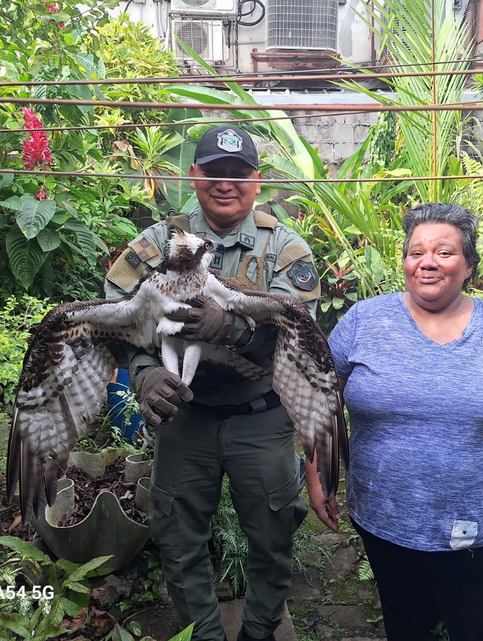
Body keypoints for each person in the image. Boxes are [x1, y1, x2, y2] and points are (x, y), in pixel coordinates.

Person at [105, 125, 321, 641]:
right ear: (194, 175)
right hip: (185, 418)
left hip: (261, 416)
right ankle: (201, 636)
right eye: (214, 173)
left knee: (271, 537)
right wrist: (144, 373)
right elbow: (117, 320)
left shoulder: (285, 249)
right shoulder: (156, 243)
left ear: (256, 180)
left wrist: (239, 332)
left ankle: (259, 631)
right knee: (178, 540)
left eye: (238, 174)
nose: (226, 184)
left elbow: (302, 337)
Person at [306, 203, 483, 641]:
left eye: (444, 252)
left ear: (470, 264)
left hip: (477, 530)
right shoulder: (365, 320)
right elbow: (321, 401)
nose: (427, 263)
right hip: (386, 522)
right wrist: (317, 474)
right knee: (407, 628)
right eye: (416, 251)